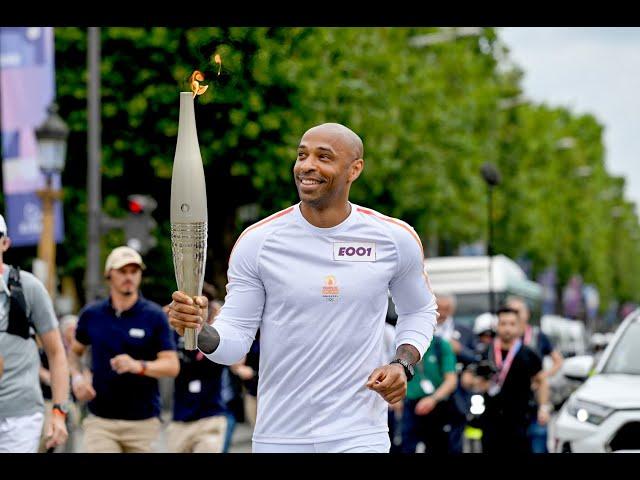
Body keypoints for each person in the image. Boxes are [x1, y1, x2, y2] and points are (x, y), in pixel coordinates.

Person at [168, 122, 438, 453]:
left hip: (358, 435)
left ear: (355, 169)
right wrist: (200, 329)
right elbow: (235, 340)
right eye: (302, 155)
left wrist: (403, 363)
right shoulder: (259, 242)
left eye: (324, 157)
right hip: (280, 436)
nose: (307, 165)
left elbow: (419, 310)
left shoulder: (393, 238)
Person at [68, 246, 179, 453]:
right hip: (101, 422)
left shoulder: (154, 316)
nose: (129, 277)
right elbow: (74, 353)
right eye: (122, 271)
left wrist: (139, 366)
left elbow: (172, 366)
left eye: (134, 271)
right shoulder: (91, 314)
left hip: (143, 423)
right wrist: (77, 378)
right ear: (109, 275)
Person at [0, 214, 70, 452]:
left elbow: (56, 352)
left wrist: (59, 411)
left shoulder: (27, 287)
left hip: (19, 416)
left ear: (5, 243)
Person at [471, 306, 551, 453]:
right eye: (503, 323)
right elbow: (468, 379)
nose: (507, 328)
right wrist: (479, 381)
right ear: (497, 326)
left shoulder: (528, 353)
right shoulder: (485, 352)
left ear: (520, 326)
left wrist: (543, 408)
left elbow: (542, 381)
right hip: (491, 418)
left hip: (519, 419)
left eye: (512, 324)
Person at [506, 296, 563, 453]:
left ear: (527, 314)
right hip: (511, 405)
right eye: (511, 311)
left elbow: (558, 361)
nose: (515, 315)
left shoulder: (537, 336)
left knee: (537, 443)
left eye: (519, 311)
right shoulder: (503, 339)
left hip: (535, 400)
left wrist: (542, 376)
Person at [400, 333, 458, 454]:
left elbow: (451, 380)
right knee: (406, 446)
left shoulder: (440, 345)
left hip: (437, 404)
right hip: (409, 405)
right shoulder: (400, 347)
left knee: (438, 446)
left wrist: (433, 399)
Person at [434, 292, 477, 453]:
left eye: (447, 309)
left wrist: (461, 350)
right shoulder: (424, 328)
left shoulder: (464, 330)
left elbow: (476, 357)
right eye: (440, 309)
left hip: (457, 393)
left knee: (456, 437)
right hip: (430, 391)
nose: (443, 313)